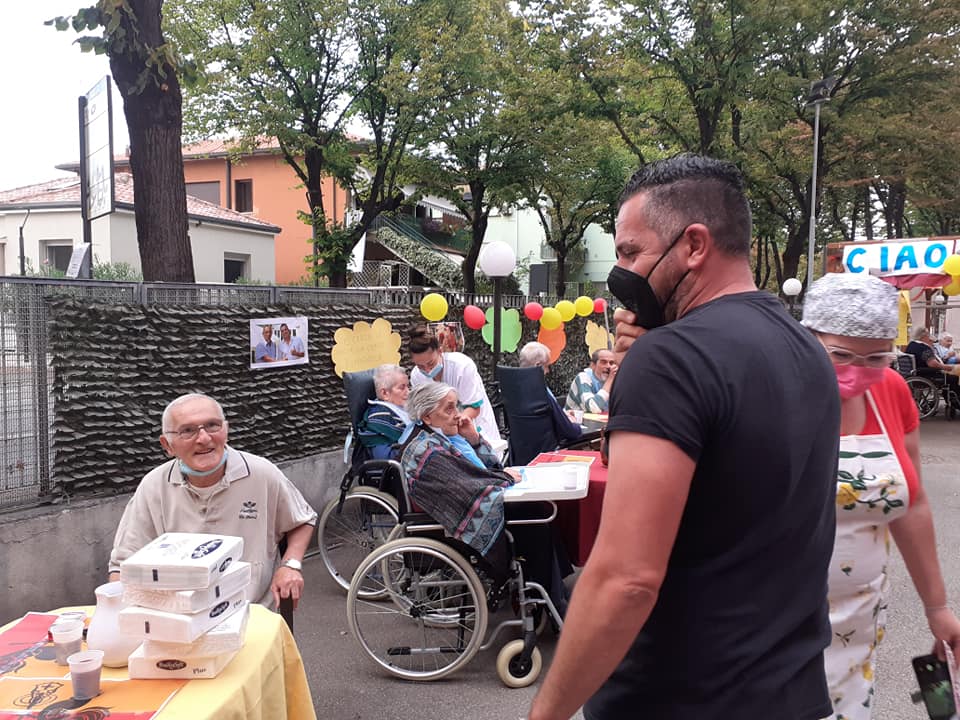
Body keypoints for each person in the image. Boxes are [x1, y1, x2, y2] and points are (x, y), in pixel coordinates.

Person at [529, 155, 840, 720]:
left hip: (680, 699)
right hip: (791, 694)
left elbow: (626, 579)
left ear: (693, 245)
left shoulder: (669, 360)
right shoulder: (807, 349)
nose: (620, 273)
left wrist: (544, 714)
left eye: (630, 252)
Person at [800, 273, 960, 720]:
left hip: (860, 618)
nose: (858, 371)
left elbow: (913, 502)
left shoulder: (889, 390)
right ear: (808, 338)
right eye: (841, 354)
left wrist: (937, 607)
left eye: (876, 357)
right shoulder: (776, 391)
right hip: (776, 623)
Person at [108, 393, 318, 609]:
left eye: (212, 426)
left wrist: (291, 565)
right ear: (167, 444)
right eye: (187, 430)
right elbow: (122, 566)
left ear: (226, 430)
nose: (204, 439)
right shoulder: (154, 486)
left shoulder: (261, 474)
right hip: (179, 617)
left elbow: (302, 520)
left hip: (251, 611)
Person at [401, 382, 569, 610]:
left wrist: (474, 439)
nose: (457, 415)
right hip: (455, 521)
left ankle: (552, 590)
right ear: (428, 417)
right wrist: (503, 478)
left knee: (542, 509)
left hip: (479, 498)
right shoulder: (426, 451)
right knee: (536, 514)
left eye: (456, 407)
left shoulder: (448, 438)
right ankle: (547, 599)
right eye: (448, 409)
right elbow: (467, 486)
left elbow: (485, 468)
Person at [406, 323, 503, 447]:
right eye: (421, 366)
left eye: (431, 363)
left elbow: (474, 407)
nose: (427, 370)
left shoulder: (462, 366)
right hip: (441, 434)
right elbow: (424, 410)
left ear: (440, 351)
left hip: (472, 427)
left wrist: (455, 422)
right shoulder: (416, 375)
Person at [517, 341, 582, 441]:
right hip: (548, 449)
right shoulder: (540, 391)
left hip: (522, 449)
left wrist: (563, 415)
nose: (548, 371)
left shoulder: (514, 387)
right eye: (547, 366)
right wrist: (575, 424)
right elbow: (570, 431)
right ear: (537, 366)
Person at [357, 364, 412, 459]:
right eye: (402, 388)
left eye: (408, 386)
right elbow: (384, 457)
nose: (408, 392)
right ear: (385, 393)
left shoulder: (405, 409)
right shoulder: (378, 418)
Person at [564, 349, 617, 414]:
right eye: (603, 362)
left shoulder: (614, 380)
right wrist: (610, 380)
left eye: (611, 363)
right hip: (575, 422)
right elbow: (593, 408)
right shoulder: (583, 377)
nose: (608, 366)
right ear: (593, 365)